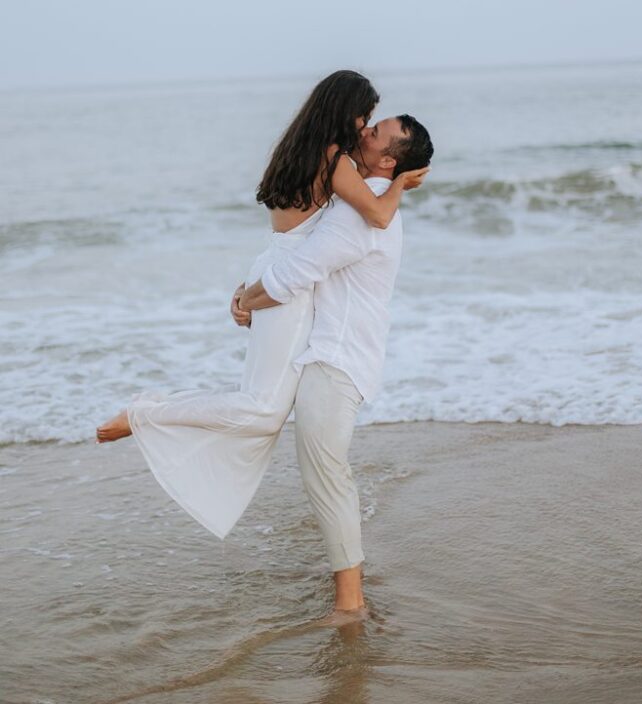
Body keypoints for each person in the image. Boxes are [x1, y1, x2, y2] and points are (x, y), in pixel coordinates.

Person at [95, 71, 427, 550]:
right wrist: (401, 183)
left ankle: (151, 413)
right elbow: (376, 216)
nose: (364, 127)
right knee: (261, 410)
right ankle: (147, 413)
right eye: (364, 118)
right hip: (286, 285)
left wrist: (252, 290)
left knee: (262, 407)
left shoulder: (301, 146)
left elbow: (295, 233)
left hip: (275, 266)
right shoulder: (338, 162)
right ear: (344, 112)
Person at [235, 113, 434, 624]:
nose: (363, 133)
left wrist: (247, 302)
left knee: (325, 470)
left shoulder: (360, 210)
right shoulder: (367, 199)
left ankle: (350, 603)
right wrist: (248, 294)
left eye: (376, 132)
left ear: (388, 160)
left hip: (338, 357)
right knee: (324, 468)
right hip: (332, 351)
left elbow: (298, 273)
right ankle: (348, 588)